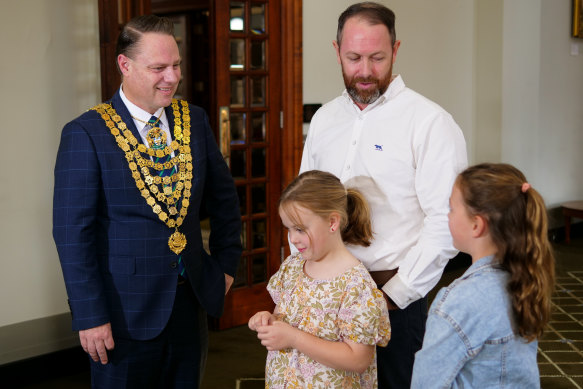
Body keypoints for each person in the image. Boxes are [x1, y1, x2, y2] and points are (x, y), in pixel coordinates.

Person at [53, 15, 242, 388]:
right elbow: (72, 235)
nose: (171, 77)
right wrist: (90, 314)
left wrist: (226, 267)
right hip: (122, 315)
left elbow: (225, 202)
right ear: (125, 65)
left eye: (176, 66)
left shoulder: (195, 120)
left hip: (190, 307)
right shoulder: (86, 133)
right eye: (158, 68)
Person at [299, 2, 468, 387]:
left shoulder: (430, 123)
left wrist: (395, 295)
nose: (364, 71)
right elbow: (306, 205)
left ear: (395, 50)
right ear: (336, 50)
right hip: (325, 292)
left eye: (377, 58)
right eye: (353, 57)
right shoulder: (325, 120)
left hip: (392, 296)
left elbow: (445, 222)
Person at [411, 163, 555, 388]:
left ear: (476, 225)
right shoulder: (524, 277)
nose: (447, 216)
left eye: (451, 208)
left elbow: (425, 384)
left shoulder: (457, 301)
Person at [249, 170, 391, 388]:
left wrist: (294, 338)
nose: (293, 238)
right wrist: (268, 320)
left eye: (300, 229)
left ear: (332, 222)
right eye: (288, 228)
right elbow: (282, 316)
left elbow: (358, 359)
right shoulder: (293, 267)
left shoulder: (356, 286)